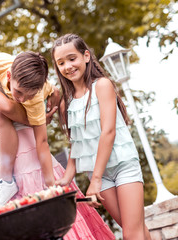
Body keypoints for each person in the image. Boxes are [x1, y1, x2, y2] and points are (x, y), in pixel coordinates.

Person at [0, 11, 115, 240]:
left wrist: (47, 96)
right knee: (47, 215)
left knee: (57, 204)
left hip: (29, 141)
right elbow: (5, 107)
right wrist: (39, 119)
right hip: (15, 149)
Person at [51, 33, 151, 240]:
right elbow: (76, 144)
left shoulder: (102, 86)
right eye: (61, 63)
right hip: (100, 175)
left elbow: (109, 132)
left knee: (131, 233)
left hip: (122, 165)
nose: (68, 66)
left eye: (72, 58)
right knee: (134, 227)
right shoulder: (65, 103)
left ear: (86, 56)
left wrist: (95, 180)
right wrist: (66, 179)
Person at [0, 48, 58, 205]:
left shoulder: (35, 100)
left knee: (56, 97)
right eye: (18, 92)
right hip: (23, 74)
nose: (22, 99)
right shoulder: (0, 63)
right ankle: (5, 179)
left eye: (28, 95)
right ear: (9, 76)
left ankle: (56, 92)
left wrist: (50, 184)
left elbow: (42, 142)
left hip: (50, 93)